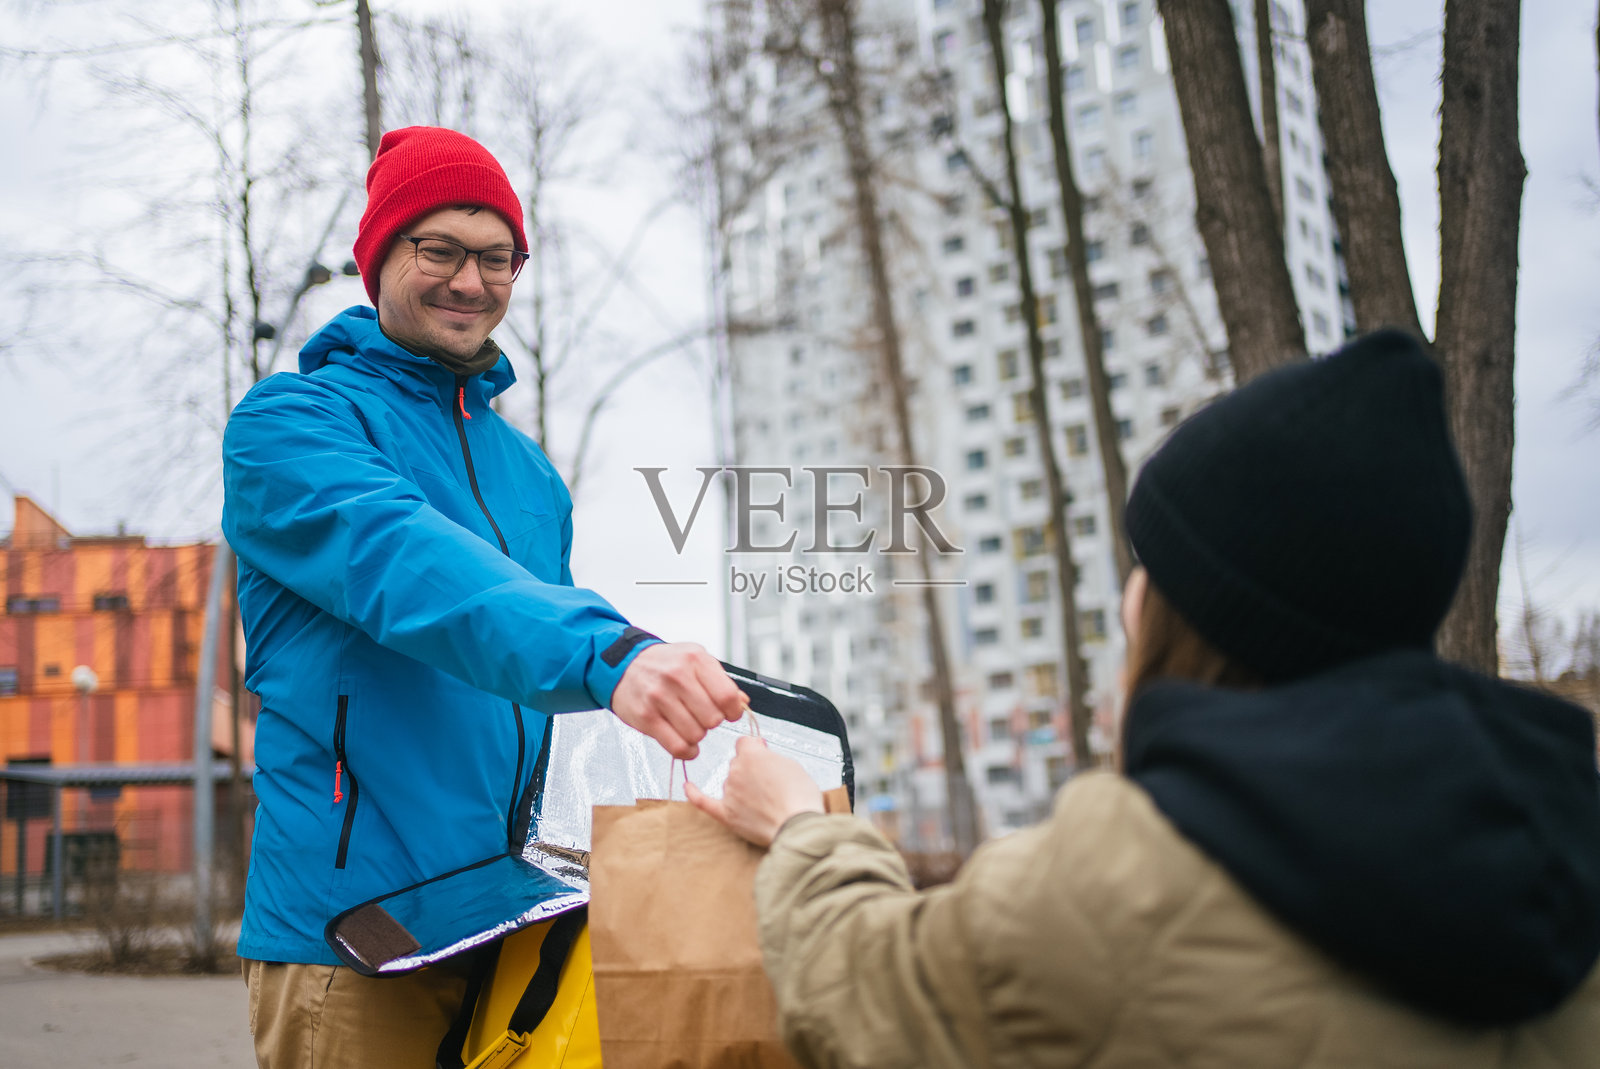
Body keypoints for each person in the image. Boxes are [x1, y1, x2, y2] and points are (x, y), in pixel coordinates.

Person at [689, 329, 1600, 1067]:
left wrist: (801, 825)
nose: (1130, 595)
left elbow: (868, 996)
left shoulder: (1122, 885)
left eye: (1151, 567)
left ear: (1201, 616)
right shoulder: (1568, 838)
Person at [224, 126, 747, 1068]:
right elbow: (407, 563)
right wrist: (611, 653)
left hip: (515, 926)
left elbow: (545, 692)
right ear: (378, 256)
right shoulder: (291, 424)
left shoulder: (529, 473)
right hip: (359, 933)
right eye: (440, 249)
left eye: (497, 256)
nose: (471, 280)